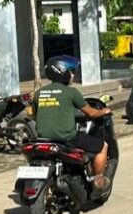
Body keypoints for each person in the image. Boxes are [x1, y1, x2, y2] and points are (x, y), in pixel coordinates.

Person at [30, 56, 112, 188]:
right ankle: (98, 180)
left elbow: (35, 116)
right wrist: (105, 111)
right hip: (67, 139)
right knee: (103, 147)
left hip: (43, 139)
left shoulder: (39, 93)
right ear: (62, 72)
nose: (72, 75)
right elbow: (91, 113)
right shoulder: (71, 92)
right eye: (70, 71)